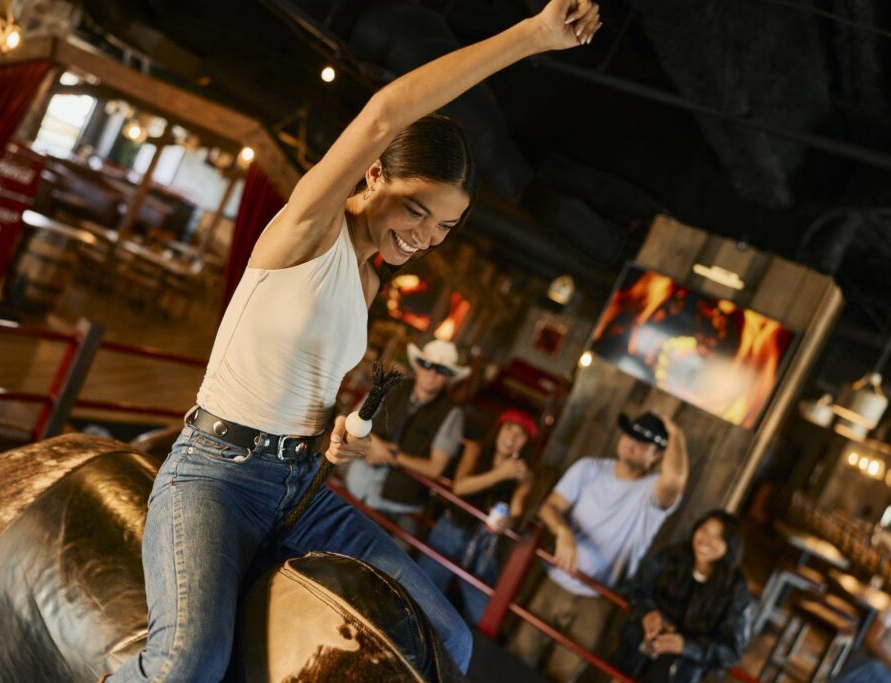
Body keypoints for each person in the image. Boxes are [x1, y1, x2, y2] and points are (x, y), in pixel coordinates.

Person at [107, 2, 604, 680]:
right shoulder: (309, 228)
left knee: (447, 643)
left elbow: (304, 390)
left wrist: (335, 432)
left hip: (302, 489)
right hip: (218, 476)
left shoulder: (370, 286)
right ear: (373, 175)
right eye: (416, 209)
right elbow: (385, 115)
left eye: (446, 226)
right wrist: (533, 37)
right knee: (188, 665)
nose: (427, 236)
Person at [510, 412, 689, 683]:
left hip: (598, 598)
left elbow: (675, 477)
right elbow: (550, 507)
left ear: (656, 456)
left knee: (562, 673)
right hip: (554, 580)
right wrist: (563, 531)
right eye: (630, 434)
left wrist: (675, 431)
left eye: (643, 442)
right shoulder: (589, 468)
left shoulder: (651, 492)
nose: (632, 442)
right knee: (518, 655)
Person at [416, 408, 538, 623]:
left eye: (521, 435)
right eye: (509, 428)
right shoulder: (476, 449)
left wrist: (506, 522)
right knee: (423, 592)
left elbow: (517, 511)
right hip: (453, 526)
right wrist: (500, 474)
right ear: (499, 430)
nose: (512, 437)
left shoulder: (524, 474)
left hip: (485, 541)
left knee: (483, 610)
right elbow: (460, 487)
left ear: (526, 443)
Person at [345, 339, 470, 542]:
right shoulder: (391, 386)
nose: (432, 373)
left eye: (442, 370)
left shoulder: (452, 414)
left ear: (449, 378)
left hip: (398, 509)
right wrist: (376, 445)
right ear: (418, 365)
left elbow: (435, 468)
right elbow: (354, 419)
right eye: (427, 365)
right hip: (355, 483)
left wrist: (391, 456)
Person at [611, 510, 751, 683]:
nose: (707, 540)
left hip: (678, 672)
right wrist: (647, 612)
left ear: (730, 546)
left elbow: (732, 650)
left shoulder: (736, 588)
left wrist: (686, 646)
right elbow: (634, 587)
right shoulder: (671, 556)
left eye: (718, 537)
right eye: (704, 530)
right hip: (637, 650)